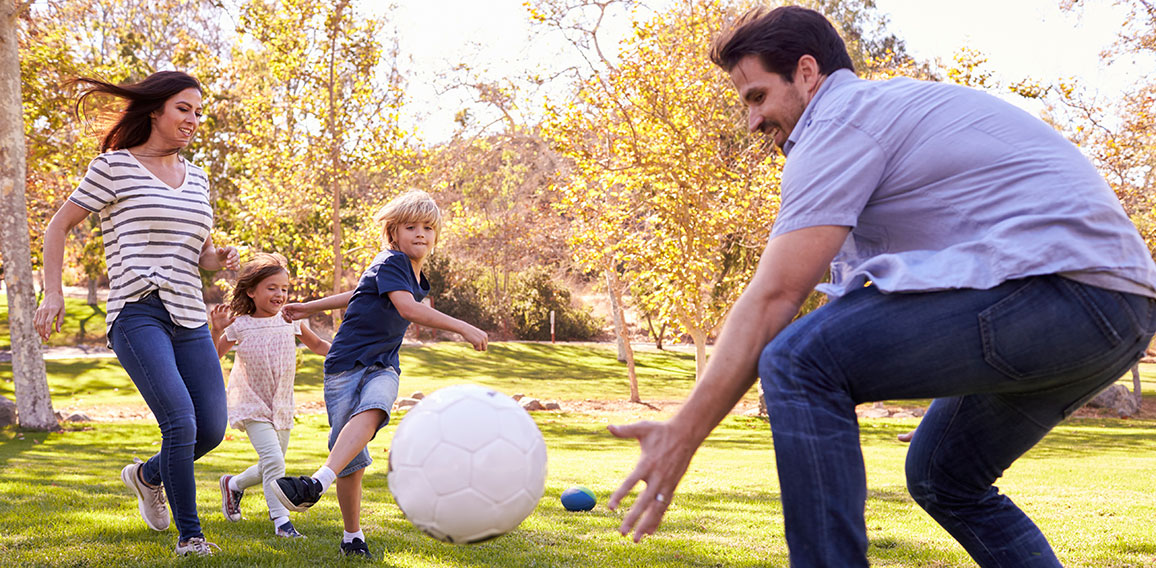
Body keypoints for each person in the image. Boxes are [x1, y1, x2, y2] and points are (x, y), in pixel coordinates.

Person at [606, 6, 1156, 567]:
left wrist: (683, 433)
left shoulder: (840, 119)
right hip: (1119, 312)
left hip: (1067, 291)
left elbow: (775, 297)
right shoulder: (882, 114)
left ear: (806, 72)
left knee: (800, 361)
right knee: (944, 475)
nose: (752, 123)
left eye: (756, 97)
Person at [33, 71, 239, 557]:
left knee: (210, 428)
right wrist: (53, 293)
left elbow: (201, 254)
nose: (192, 119)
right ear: (156, 111)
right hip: (136, 311)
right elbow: (58, 226)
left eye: (197, 111)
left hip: (189, 313)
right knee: (181, 423)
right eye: (183, 108)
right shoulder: (113, 167)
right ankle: (191, 538)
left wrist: (221, 259)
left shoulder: (199, 176)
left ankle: (147, 476)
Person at [270, 190, 489, 559]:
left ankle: (315, 484)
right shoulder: (391, 261)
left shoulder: (408, 272)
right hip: (344, 364)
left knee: (375, 408)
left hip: (382, 364)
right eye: (411, 227)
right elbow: (406, 308)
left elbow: (357, 293)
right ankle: (352, 537)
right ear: (393, 232)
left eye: (428, 228)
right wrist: (463, 327)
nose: (421, 234)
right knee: (350, 459)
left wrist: (309, 305)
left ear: (436, 235)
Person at [208, 252, 331, 539]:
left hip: (282, 405)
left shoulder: (292, 321)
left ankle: (233, 484)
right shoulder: (240, 325)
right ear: (251, 291)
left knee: (269, 464)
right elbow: (213, 358)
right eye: (272, 288)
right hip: (251, 403)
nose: (280, 294)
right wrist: (217, 329)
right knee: (276, 462)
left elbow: (319, 346)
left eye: (284, 289)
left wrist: (353, 352)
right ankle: (282, 522)